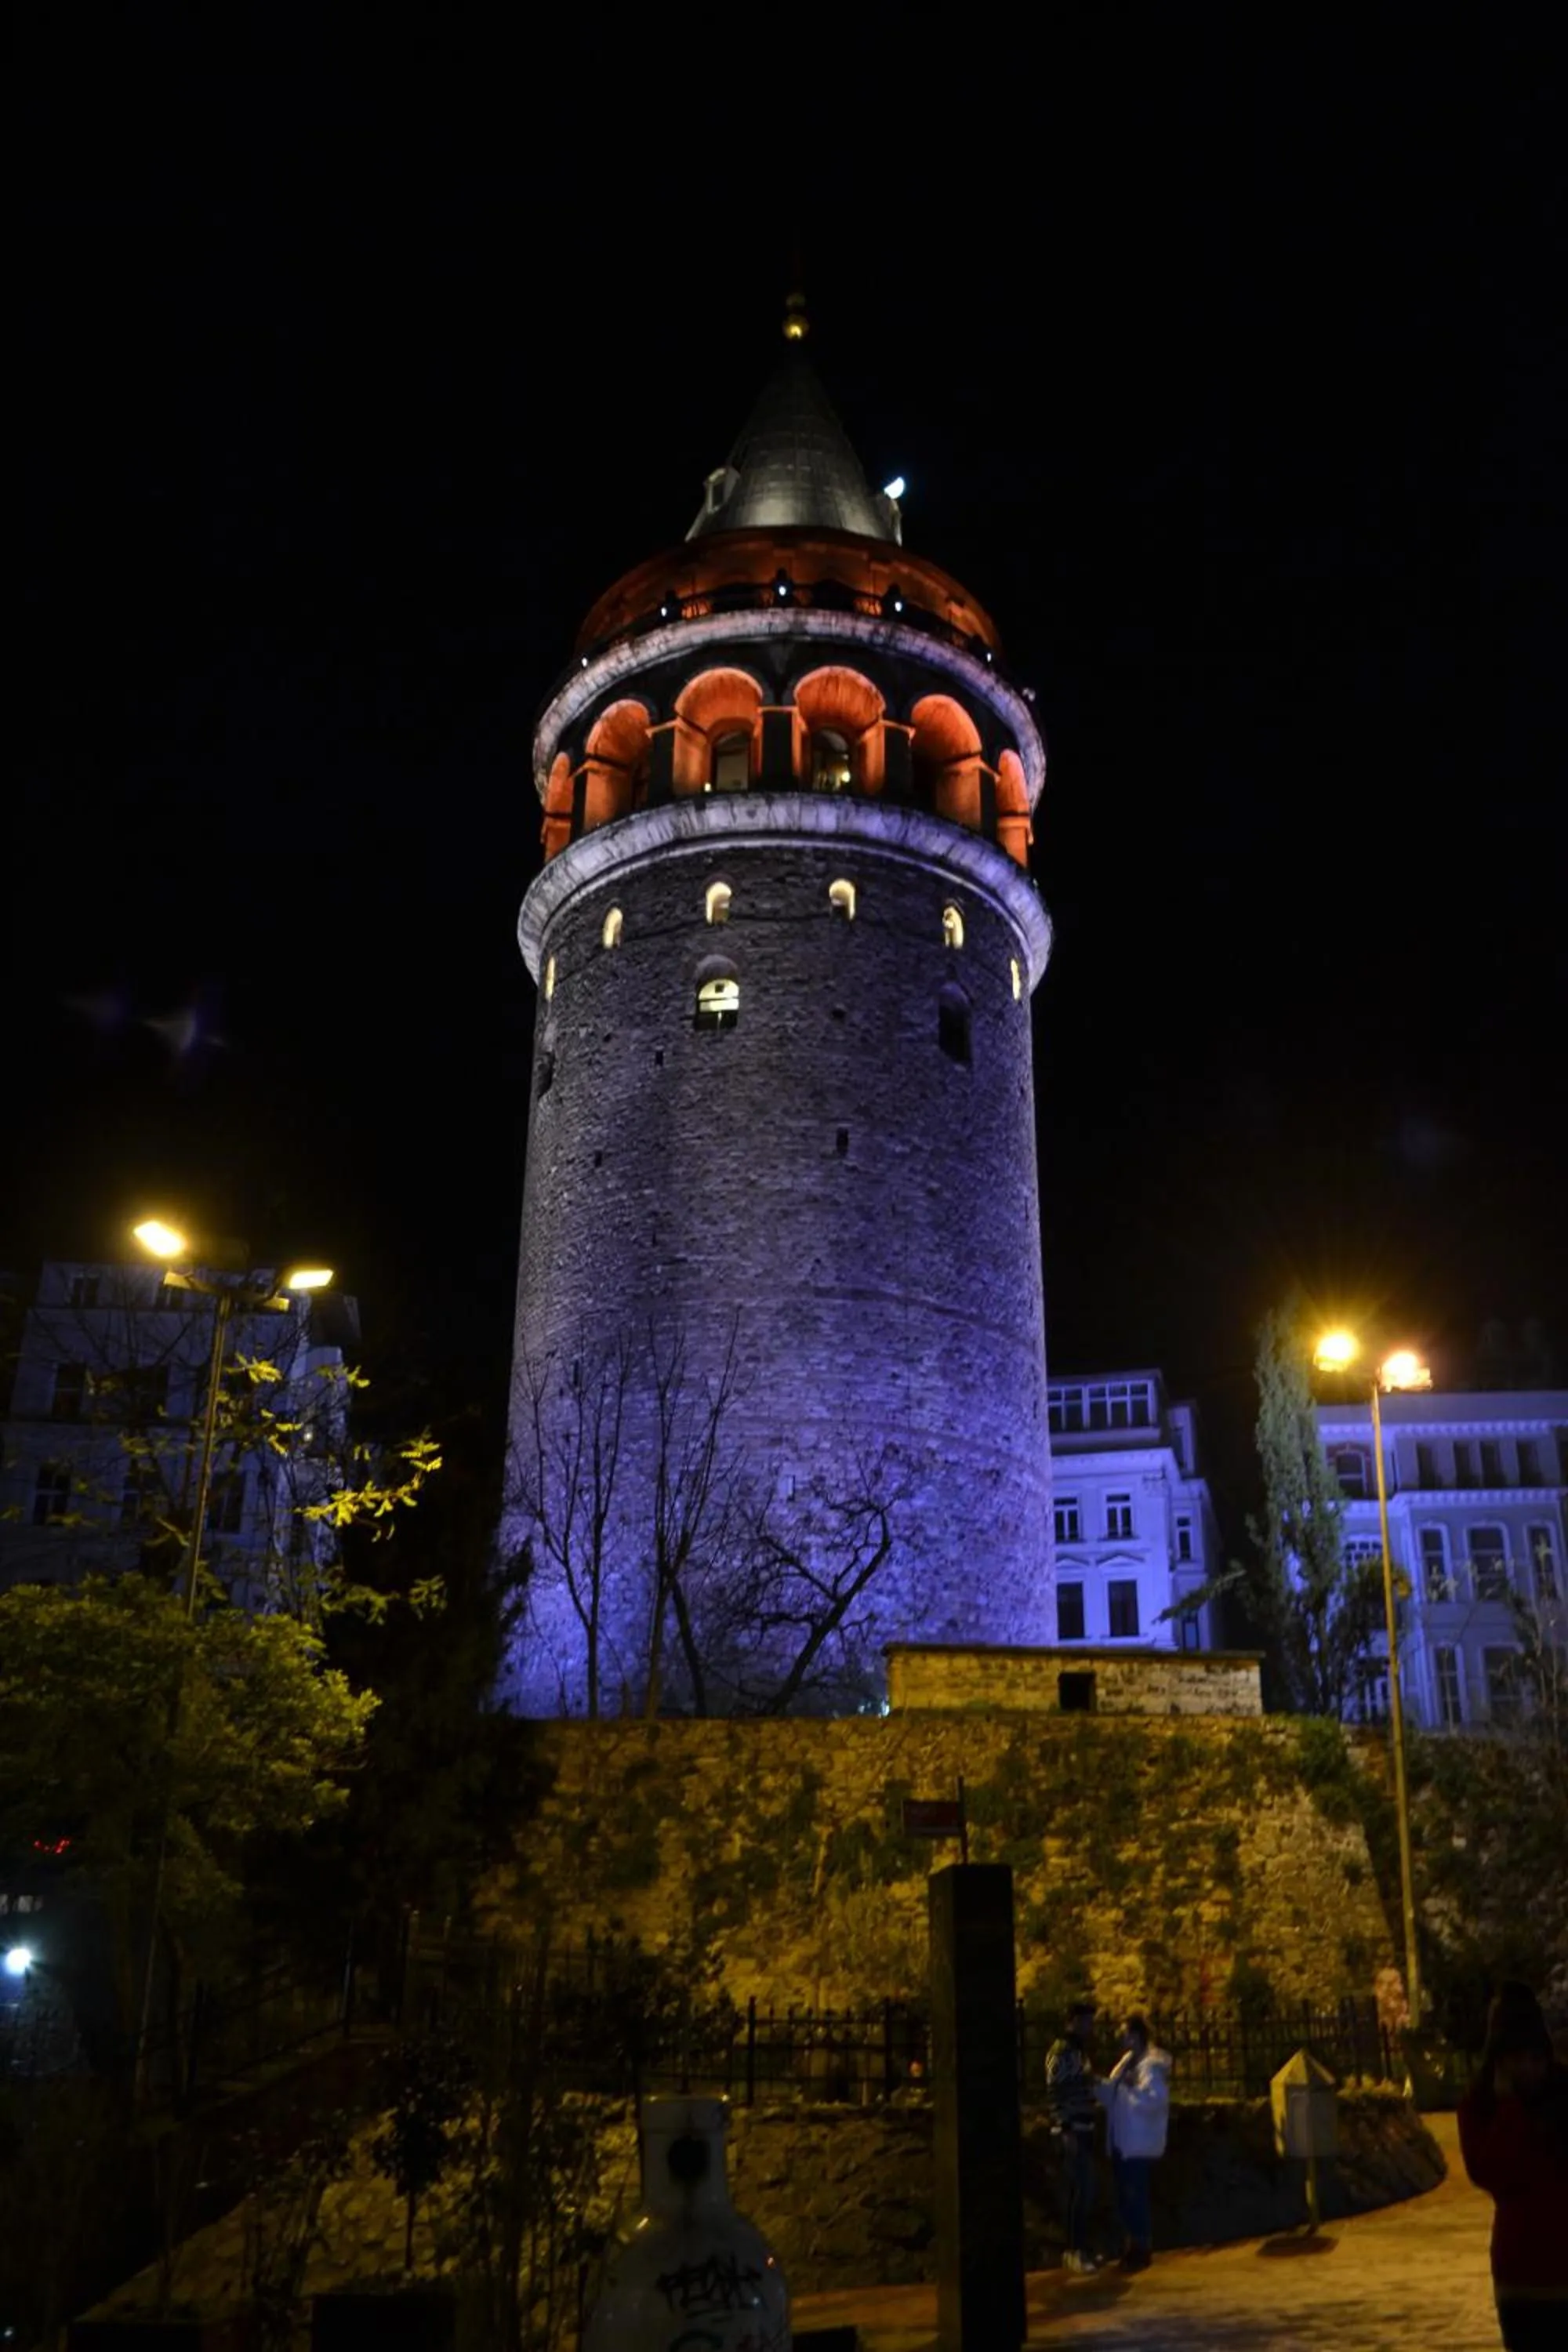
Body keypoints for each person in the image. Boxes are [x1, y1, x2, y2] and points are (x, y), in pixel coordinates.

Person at [1458, 1982, 1568, 2350]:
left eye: (1536, 2059)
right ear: (1499, 2061)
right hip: (1520, 2278)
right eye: (1518, 2059)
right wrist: (1508, 2109)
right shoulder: (1481, 2107)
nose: (1529, 2069)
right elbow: (1491, 2172)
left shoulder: (1562, 2096)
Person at [1095, 2012, 1171, 2272]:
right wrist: (1098, 2085)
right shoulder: (1127, 2063)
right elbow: (1114, 2094)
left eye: (1125, 2032)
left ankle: (1141, 2247)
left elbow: (1154, 2101)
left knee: (1135, 2196)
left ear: (1137, 2036)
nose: (1122, 2037)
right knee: (1125, 2198)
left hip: (1137, 2143)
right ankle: (1132, 2246)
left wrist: (1129, 2089)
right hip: (1122, 2140)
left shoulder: (1150, 2066)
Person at [1045, 1998, 1102, 2272]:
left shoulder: (1078, 2051)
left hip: (1083, 2127)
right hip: (1072, 2129)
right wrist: (1065, 2126)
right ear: (1074, 2022)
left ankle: (1081, 2248)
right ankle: (1074, 2250)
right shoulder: (1062, 2051)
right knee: (1080, 2190)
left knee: (1086, 2191)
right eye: (1087, 2021)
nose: (1091, 2027)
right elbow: (1055, 2091)